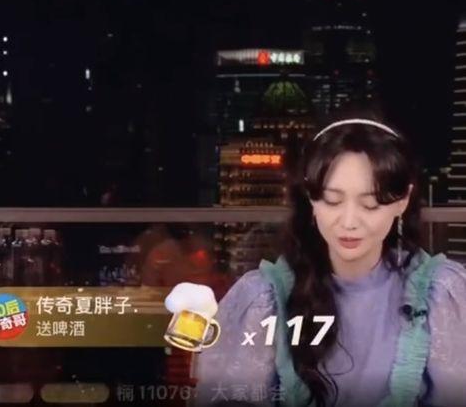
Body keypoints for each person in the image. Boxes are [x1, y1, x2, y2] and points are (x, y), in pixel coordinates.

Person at [194, 111, 466, 407]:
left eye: (370, 205)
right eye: (333, 201)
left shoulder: (442, 294)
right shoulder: (263, 296)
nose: (348, 222)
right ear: (311, 198)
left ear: (402, 201)